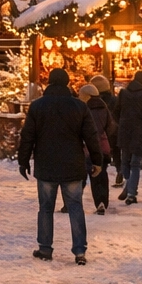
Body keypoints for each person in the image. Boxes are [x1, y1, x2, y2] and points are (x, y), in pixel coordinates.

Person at [17, 69, 103, 265]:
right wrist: (97, 160)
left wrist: (23, 161)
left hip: (46, 164)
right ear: (67, 83)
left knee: (45, 208)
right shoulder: (79, 106)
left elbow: (28, 136)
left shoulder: (37, 106)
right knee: (75, 208)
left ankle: (45, 248)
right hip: (73, 164)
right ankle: (79, 251)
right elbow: (91, 136)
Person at [115, 70, 142, 204]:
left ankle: (128, 186)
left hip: (125, 131)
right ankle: (131, 193)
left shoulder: (123, 93)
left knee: (125, 160)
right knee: (135, 164)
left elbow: (116, 111)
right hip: (140, 132)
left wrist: (121, 123)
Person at [78, 83, 116, 214]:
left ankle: (72, 202)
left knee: (85, 175)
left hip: (88, 148)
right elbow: (111, 127)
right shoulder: (104, 108)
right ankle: (102, 202)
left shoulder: (84, 109)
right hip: (104, 147)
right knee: (101, 175)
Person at [91, 74, 122, 186]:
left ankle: (99, 171)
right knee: (117, 152)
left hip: (100, 131)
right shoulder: (114, 100)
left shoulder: (93, 102)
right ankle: (120, 170)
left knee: (101, 153)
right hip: (114, 129)